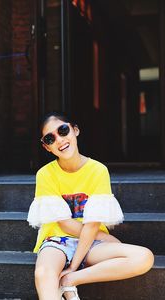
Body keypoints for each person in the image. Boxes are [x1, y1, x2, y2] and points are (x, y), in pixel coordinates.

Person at [27, 112, 154, 300]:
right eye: (50, 138)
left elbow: (93, 223)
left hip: (91, 242)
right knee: (43, 273)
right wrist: (104, 237)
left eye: (63, 130)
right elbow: (64, 224)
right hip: (57, 241)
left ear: (75, 130)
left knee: (144, 257)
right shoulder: (45, 175)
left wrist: (72, 270)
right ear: (47, 147)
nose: (60, 140)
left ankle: (70, 281)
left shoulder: (98, 170)